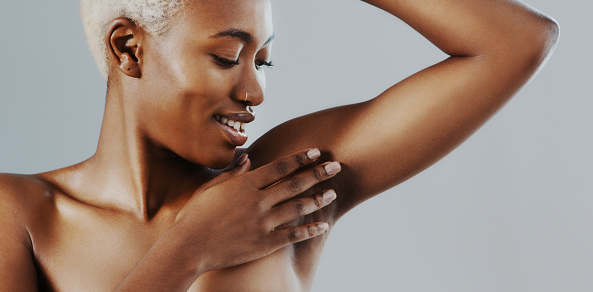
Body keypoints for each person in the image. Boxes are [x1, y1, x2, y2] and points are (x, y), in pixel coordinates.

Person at [0, 0, 558, 291]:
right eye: (226, 56)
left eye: (262, 61)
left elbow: (516, 41)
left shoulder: (281, 186)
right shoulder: (20, 216)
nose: (254, 91)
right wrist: (188, 248)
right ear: (128, 48)